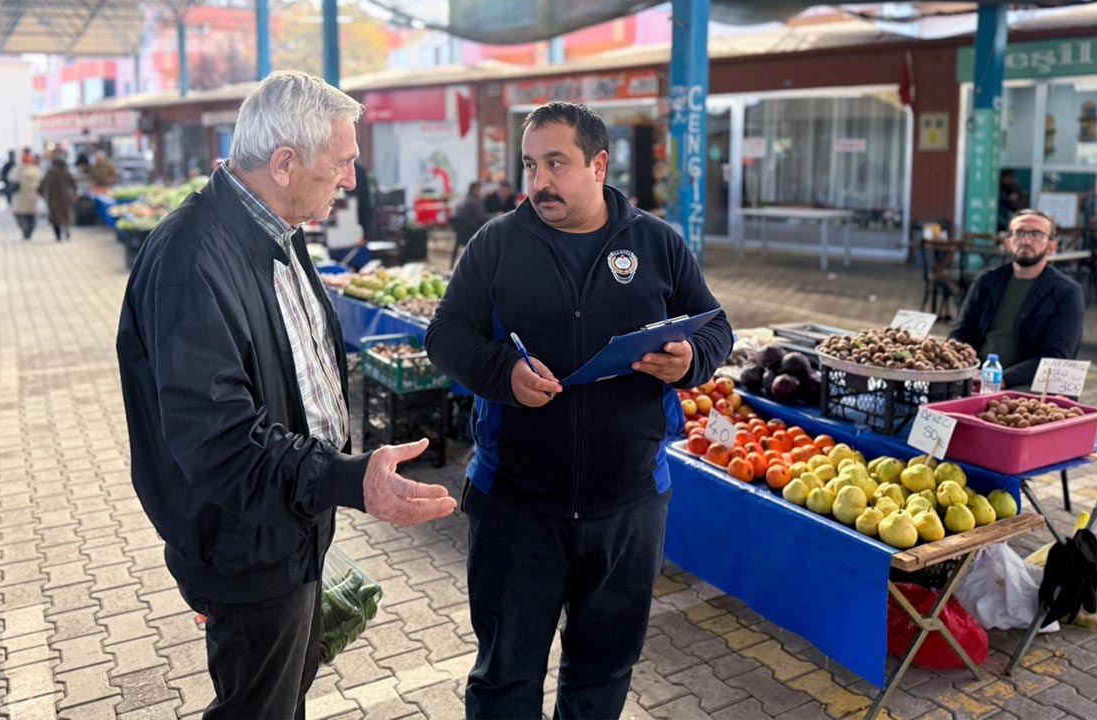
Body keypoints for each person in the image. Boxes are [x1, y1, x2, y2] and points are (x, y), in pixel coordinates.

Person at [115, 71, 456, 720]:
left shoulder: (277, 227)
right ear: (284, 162)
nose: (352, 179)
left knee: (284, 694)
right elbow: (217, 441)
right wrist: (349, 481)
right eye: (343, 162)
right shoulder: (191, 260)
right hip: (246, 545)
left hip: (285, 527)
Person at [425, 102, 732, 719]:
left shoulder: (655, 242)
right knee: (505, 678)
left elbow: (716, 326)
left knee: (603, 674)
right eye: (531, 164)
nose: (539, 181)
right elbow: (445, 335)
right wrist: (503, 374)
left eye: (556, 164)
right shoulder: (497, 244)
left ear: (598, 164)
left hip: (629, 504)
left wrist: (689, 359)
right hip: (516, 505)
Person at [950, 208, 1084, 389]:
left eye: (1036, 234)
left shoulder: (1066, 292)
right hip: (976, 377)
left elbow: (1057, 357)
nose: (1026, 241)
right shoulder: (987, 282)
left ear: (1052, 247)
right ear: (1007, 242)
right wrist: (958, 363)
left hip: (1029, 385)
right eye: (1019, 233)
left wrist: (1002, 379)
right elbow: (960, 334)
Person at [450, 181, 490, 266]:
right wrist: (499, 215)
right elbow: (484, 218)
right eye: (479, 189)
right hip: (473, 234)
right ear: (475, 190)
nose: (481, 191)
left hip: (462, 234)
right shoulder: (474, 202)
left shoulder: (463, 200)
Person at [39, 157, 77, 241]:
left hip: (53, 198)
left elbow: (43, 183)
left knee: (55, 217)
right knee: (65, 215)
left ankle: (58, 235)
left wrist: (40, 192)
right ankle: (66, 229)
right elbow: (73, 184)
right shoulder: (66, 172)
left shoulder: (50, 173)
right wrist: (74, 193)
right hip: (65, 198)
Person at [8, 155, 44, 241]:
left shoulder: (17, 170)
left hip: (20, 197)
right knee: (31, 216)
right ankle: (29, 232)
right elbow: (42, 181)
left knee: (20, 215)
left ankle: (24, 230)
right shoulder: (36, 170)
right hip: (33, 197)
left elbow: (10, 178)